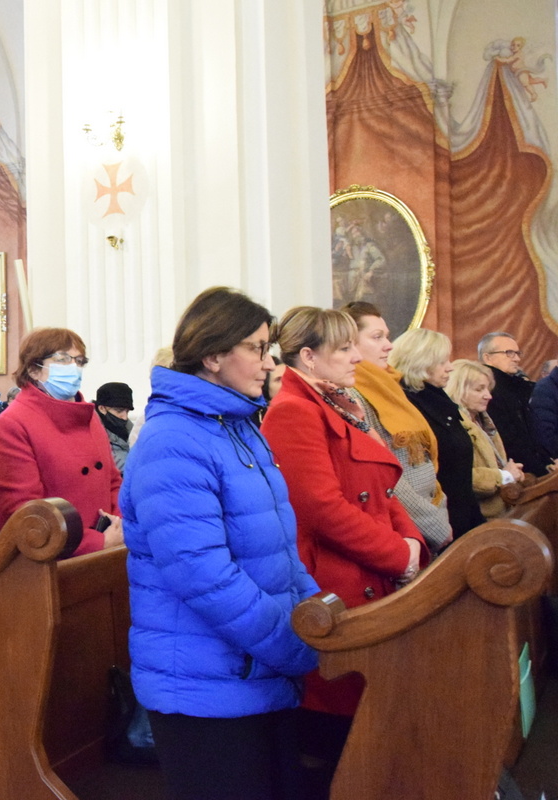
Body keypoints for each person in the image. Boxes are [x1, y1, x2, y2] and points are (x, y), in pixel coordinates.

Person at [122, 287, 319, 800]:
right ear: (212, 356)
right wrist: (293, 645)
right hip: (204, 685)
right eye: (256, 348)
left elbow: (281, 548)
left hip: (256, 670)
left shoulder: (238, 426)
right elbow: (202, 574)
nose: (269, 362)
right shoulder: (173, 440)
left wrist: (317, 613)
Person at [262, 306, 425, 780]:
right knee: (340, 737)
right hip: (337, 583)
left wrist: (411, 541)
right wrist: (398, 555)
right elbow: (322, 509)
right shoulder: (293, 411)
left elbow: (384, 491)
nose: (357, 356)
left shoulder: (341, 403)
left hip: (371, 567)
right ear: (309, 357)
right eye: (345, 347)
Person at [0, 328, 123, 555]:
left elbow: (113, 482)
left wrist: (119, 523)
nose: (74, 368)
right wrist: (96, 542)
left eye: (79, 361)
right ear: (34, 369)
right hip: (56, 557)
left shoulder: (88, 417)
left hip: (106, 550)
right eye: (63, 359)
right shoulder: (12, 424)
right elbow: (25, 514)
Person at [342, 302, 452, 555]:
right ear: (350, 343)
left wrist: (440, 510)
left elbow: (423, 462)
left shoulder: (389, 386)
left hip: (432, 513)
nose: (389, 345)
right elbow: (384, 473)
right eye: (377, 337)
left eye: (387, 336)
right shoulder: (352, 395)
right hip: (407, 529)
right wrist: (433, 524)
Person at [390, 328, 484, 538]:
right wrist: (437, 528)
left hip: (463, 514)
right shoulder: (408, 405)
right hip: (437, 525)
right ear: (420, 362)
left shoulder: (439, 400)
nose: (450, 367)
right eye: (442, 362)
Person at [447, 360, 525, 519]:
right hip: (480, 517)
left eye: (488, 389)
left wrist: (511, 472)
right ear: (458, 389)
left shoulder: (483, 420)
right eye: (479, 389)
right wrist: (504, 476)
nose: (488, 396)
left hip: (502, 510)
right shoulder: (454, 426)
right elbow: (462, 476)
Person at [478, 331, 552, 475]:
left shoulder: (514, 386)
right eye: (509, 353)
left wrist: (547, 463)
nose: (517, 359)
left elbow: (531, 433)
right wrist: (541, 469)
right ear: (487, 357)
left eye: (517, 353)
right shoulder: (491, 390)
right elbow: (510, 439)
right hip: (515, 471)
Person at [94, 382, 134, 474]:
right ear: (102, 408)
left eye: (127, 411)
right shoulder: (92, 432)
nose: (124, 417)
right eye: (119, 411)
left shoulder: (130, 428)